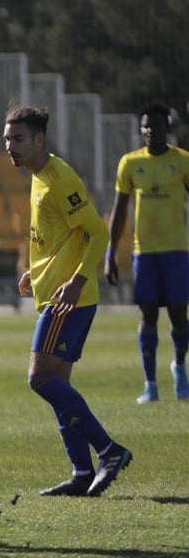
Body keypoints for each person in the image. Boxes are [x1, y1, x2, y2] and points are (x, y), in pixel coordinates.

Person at [4, 106, 132, 497]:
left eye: (18, 139)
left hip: (69, 300)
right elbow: (56, 235)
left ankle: (109, 450)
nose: (10, 146)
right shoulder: (39, 174)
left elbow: (98, 232)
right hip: (53, 293)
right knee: (58, 384)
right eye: (7, 138)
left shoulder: (60, 179)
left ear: (40, 140)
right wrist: (35, 270)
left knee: (39, 377)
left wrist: (77, 280)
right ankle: (80, 472)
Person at [105, 101, 189, 404]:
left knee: (180, 316)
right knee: (148, 314)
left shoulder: (182, 162)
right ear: (140, 130)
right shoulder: (130, 163)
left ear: (167, 128)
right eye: (146, 126)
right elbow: (119, 210)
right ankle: (150, 384)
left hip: (177, 251)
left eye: (157, 125)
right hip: (145, 253)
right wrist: (110, 253)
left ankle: (179, 366)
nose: (151, 130)